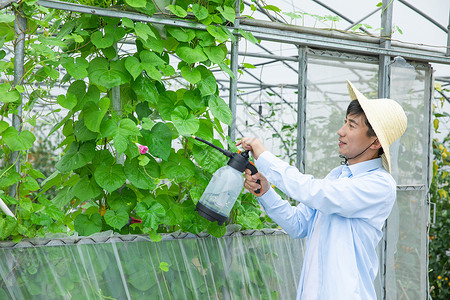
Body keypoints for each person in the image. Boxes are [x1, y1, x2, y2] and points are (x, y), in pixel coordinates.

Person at [236, 80, 407, 300]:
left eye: (352, 125)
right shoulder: (337, 177)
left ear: (375, 142)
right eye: (345, 122)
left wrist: (265, 156)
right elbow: (298, 225)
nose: (341, 131)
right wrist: (266, 191)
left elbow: (315, 192)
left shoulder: (379, 185)